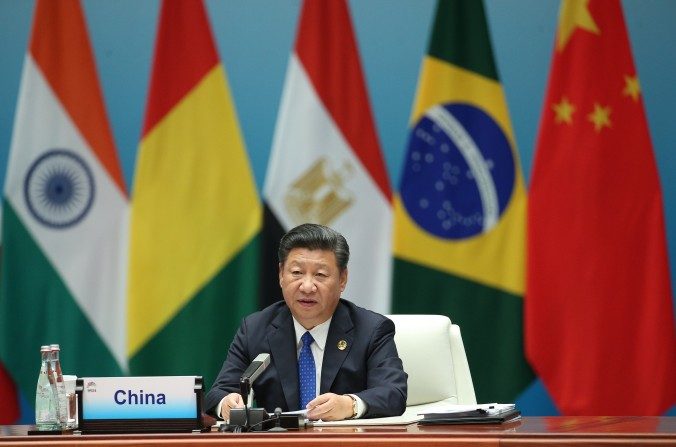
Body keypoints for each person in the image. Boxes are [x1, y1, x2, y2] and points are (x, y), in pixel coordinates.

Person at [205, 223, 407, 421]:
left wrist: (350, 405)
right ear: (281, 275)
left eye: (320, 275)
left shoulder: (371, 329)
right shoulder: (256, 329)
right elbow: (218, 393)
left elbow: (393, 393)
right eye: (297, 273)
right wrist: (227, 404)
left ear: (342, 279)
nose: (307, 286)